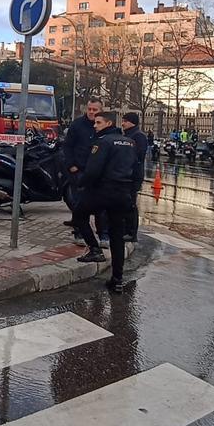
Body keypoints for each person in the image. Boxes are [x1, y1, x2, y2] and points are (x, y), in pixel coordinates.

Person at [72, 110, 137, 293]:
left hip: (103, 192)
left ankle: (94, 249)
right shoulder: (130, 143)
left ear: (108, 124)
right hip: (123, 194)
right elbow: (137, 168)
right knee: (117, 235)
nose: (95, 125)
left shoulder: (102, 142)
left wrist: (81, 183)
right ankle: (117, 279)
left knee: (79, 215)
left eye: (98, 122)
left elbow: (93, 171)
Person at [63, 98, 108, 247]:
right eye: (89, 109)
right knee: (79, 204)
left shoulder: (104, 127)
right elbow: (67, 146)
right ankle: (79, 232)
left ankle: (103, 235)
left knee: (100, 205)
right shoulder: (77, 125)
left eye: (95, 110)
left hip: (97, 173)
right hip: (79, 171)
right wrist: (71, 165)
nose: (91, 112)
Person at [120, 112, 148, 242]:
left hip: (133, 175)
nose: (122, 123)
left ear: (132, 122)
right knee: (125, 203)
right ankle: (125, 229)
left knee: (131, 204)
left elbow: (138, 156)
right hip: (126, 174)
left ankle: (131, 233)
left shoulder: (138, 136)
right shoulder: (127, 135)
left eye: (125, 121)